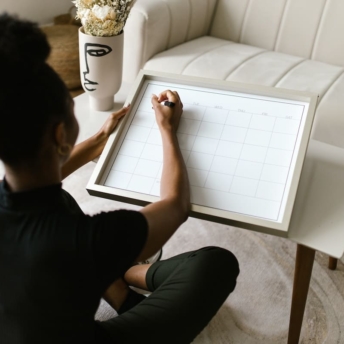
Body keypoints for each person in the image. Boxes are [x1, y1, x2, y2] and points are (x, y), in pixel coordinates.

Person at [0, 14, 240, 344]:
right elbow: (175, 204)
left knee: (62, 199)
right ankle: (123, 272)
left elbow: (43, 183)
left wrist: (97, 141)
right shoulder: (87, 239)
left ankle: (121, 287)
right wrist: (168, 131)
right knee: (216, 264)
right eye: (71, 108)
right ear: (60, 134)